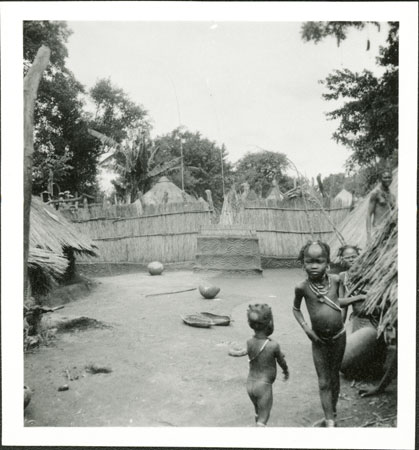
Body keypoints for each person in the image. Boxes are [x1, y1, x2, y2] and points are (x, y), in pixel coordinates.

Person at [293, 241, 345, 427]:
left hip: (339, 337)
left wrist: (341, 321)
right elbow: (296, 309)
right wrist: (307, 329)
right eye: (309, 261)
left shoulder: (337, 280)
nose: (314, 266)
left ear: (327, 263)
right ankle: (330, 421)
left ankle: (332, 412)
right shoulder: (302, 287)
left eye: (319, 261)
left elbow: (339, 302)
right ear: (303, 263)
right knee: (323, 381)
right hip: (318, 340)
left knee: (334, 376)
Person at [246, 303, 289, 426]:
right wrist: (286, 371)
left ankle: (257, 425)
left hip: (250, 384)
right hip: (263, 386)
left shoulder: (249, 342)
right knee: (264, 417)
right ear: (269, 323)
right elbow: (282, 362)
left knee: (258, 412)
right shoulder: (273, 345)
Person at [366, 170, 396, 243]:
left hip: (389, 231)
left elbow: (393, 212)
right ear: (380, 179)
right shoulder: (376, 193)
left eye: (389, 177)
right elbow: (368, 214)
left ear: (392, 178)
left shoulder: (392, 196)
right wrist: (369, 236)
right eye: (385, 177)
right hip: (378, 230)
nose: (387, 179)